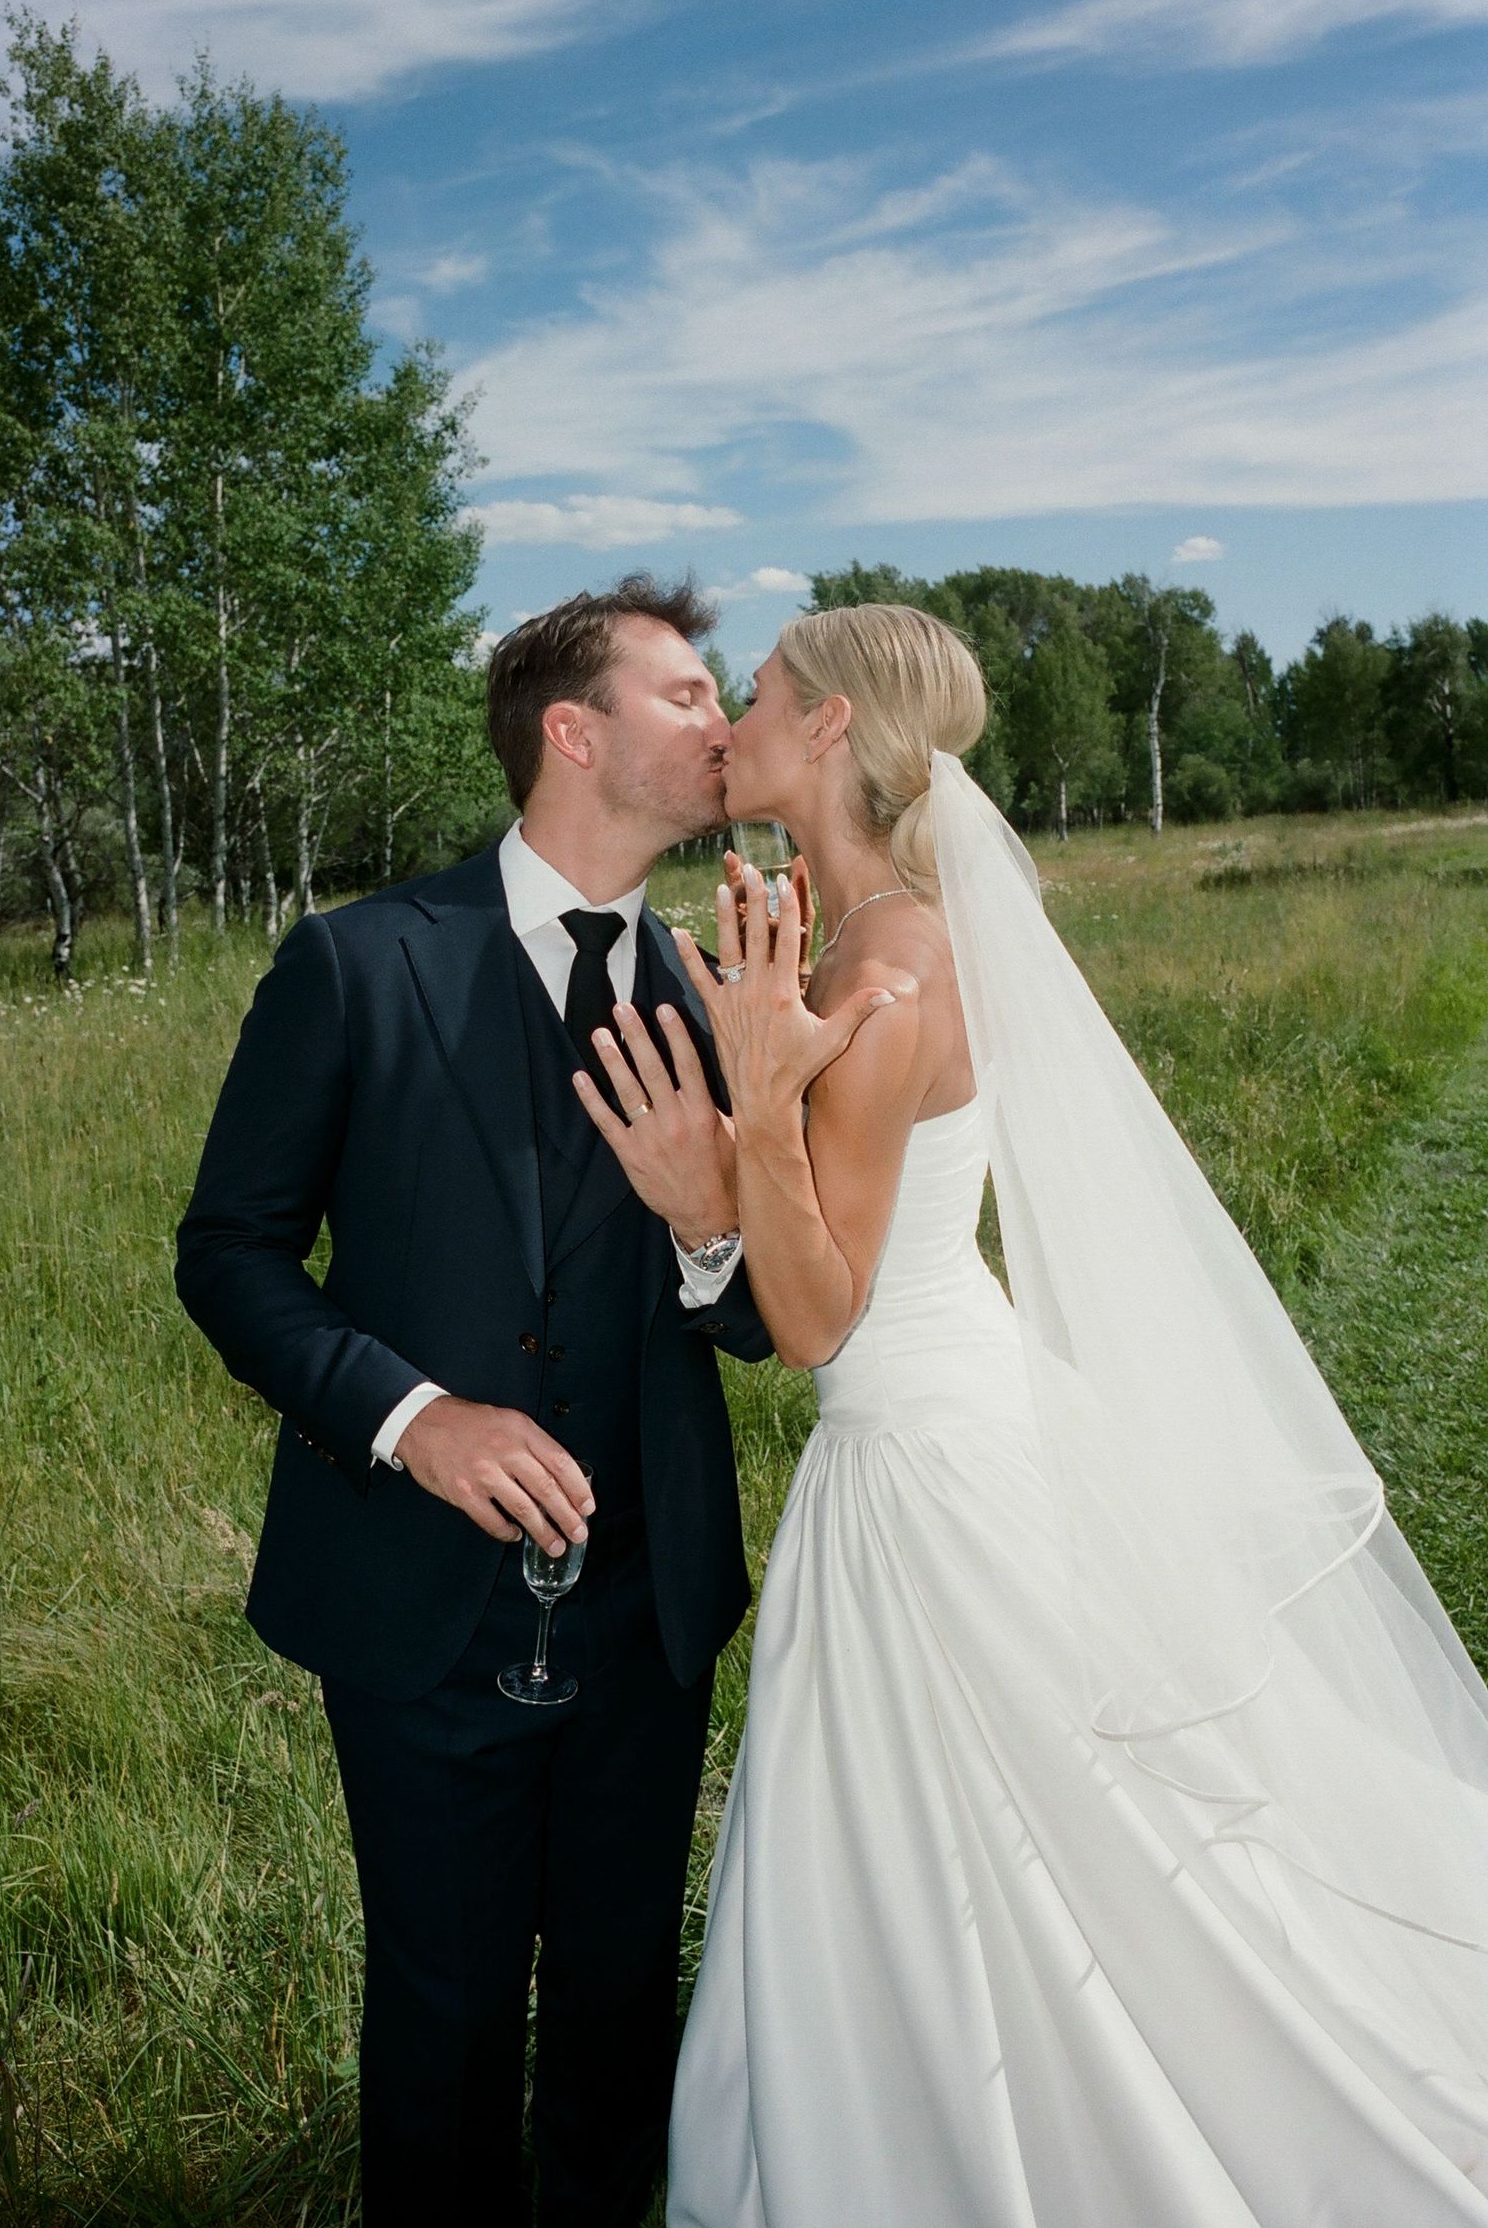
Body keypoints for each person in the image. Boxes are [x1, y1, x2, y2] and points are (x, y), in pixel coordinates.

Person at [575, 603, 1488, 2226]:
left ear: (833, 725)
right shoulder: (881, 930)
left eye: (762, 693)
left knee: (1019, 1835)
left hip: (917, 1461)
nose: (736, 723)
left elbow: (817, 1316)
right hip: (940, 1417)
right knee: (1006, 1838)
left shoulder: (885, 966)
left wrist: (747, 1123)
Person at [174, 576, 779, 2228]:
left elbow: (762, 1325)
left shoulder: (717, 994)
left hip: (648, 1611)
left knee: (619, 2008)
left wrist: (709, 1228)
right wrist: (410, 1418)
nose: (722, 720)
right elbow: (227, 1254)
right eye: (686, 692)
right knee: (440, 2018)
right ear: (573, 733)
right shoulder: (357, 962)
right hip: (415, 1605)